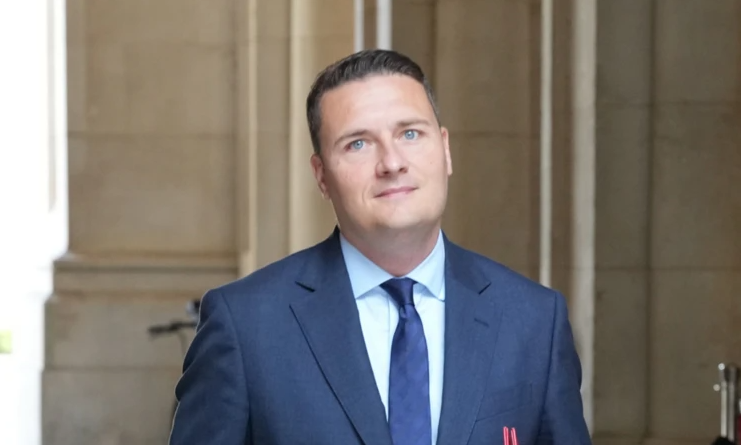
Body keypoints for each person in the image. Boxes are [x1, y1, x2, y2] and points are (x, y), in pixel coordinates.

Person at [169, 49, 591, 445]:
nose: (392, 162)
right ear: (321, 176)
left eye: (410, 133)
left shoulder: (534, 321)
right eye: (358, 143)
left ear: (444, 150)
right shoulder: (246, 326)